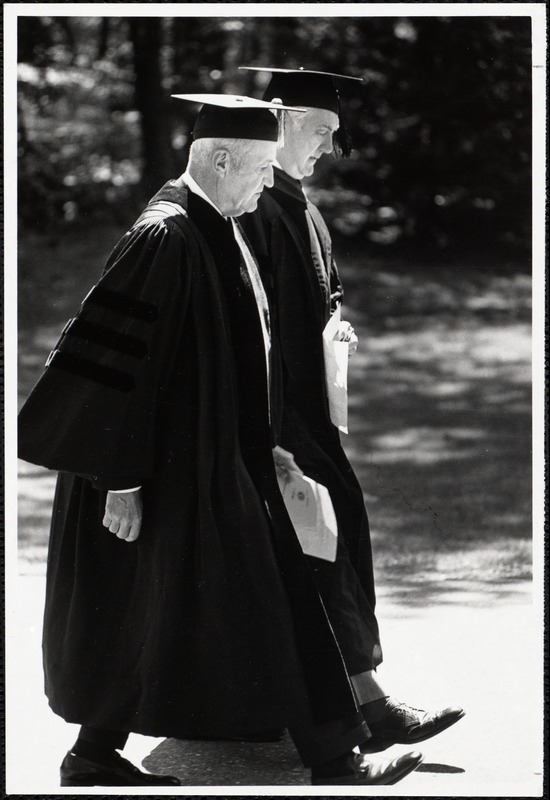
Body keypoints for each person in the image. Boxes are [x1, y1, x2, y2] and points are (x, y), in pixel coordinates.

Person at [18, 94, 423, 787]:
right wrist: (119, 481)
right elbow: (114, 366)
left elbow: (235, 354)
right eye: (263, 169)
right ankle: (335, 760)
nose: (271, 184)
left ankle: (94, 757)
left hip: (218, 460)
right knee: (208, 601)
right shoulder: (167, 235)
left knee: (173, 604)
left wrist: (267, 442)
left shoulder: (218, 226)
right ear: (223, 158)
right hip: (156, 471)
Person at [240, 66, 465, 752]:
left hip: (313, 414)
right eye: (322, 131)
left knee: (328, 548)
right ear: (279, 119)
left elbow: (316, 301)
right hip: (283, 422)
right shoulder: (254, 207)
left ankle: (344, 702)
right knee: (322, 550)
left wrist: (337, 330)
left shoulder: (300, 206)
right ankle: (365, 705)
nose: (331, 148)